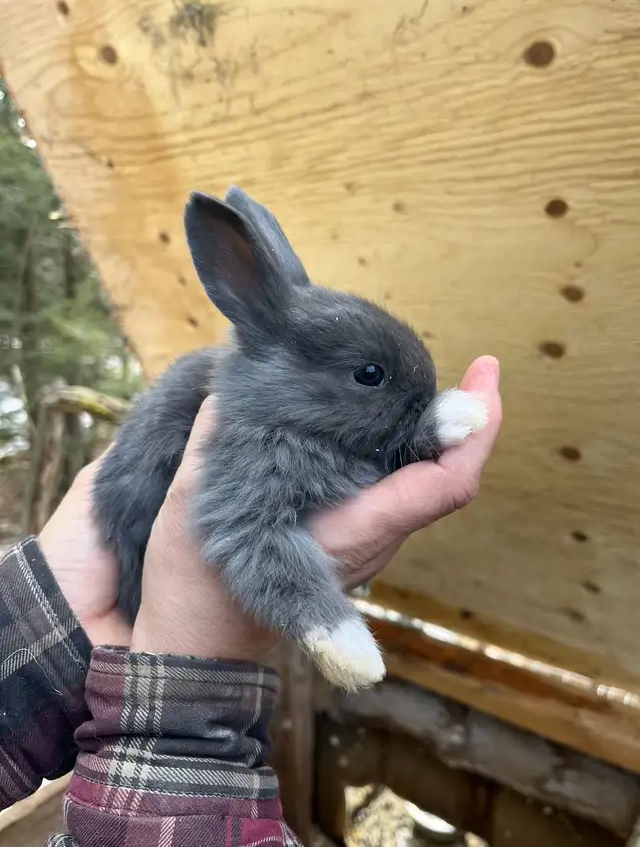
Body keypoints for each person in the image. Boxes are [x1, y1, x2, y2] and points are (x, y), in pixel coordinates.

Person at [0, 356, 501, 847]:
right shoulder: (264, 420)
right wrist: (185, 683)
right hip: (137, 555)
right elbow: (245, 523)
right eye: (369, 375)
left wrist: (61, 613)